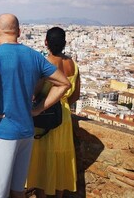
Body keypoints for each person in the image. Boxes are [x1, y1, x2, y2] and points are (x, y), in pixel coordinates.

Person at [0, 14, 71, 198]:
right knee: (17, 190)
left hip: (2, 133)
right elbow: (64, 83)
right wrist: (38, 109)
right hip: (26, 132)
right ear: (19, 32)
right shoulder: (34, 56)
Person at [26, 27, 80, 198]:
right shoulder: (73, 64)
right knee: (60, 159)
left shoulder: (44, 64)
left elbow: (35, 92)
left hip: (45, 116)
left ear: (46, 43)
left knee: (44, 160)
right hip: (63, 117)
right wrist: (62, 104)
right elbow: (76, 94)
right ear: (64, 43)